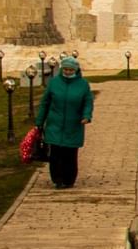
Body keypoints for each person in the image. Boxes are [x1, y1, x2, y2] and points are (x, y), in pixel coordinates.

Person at [34, 53, 94, 189]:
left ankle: (69, 179)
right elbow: (45, 103)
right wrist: (39, 122)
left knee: (70, 154)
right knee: (55, 154)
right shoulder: (54, 83)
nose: (68, 72)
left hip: (73, 125)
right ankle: (57, 179)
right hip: (55, 124)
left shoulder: (83, 85)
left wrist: (86, 116)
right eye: (65, 69)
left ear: (76, 70)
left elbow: (87, 102)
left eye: (71, 70)